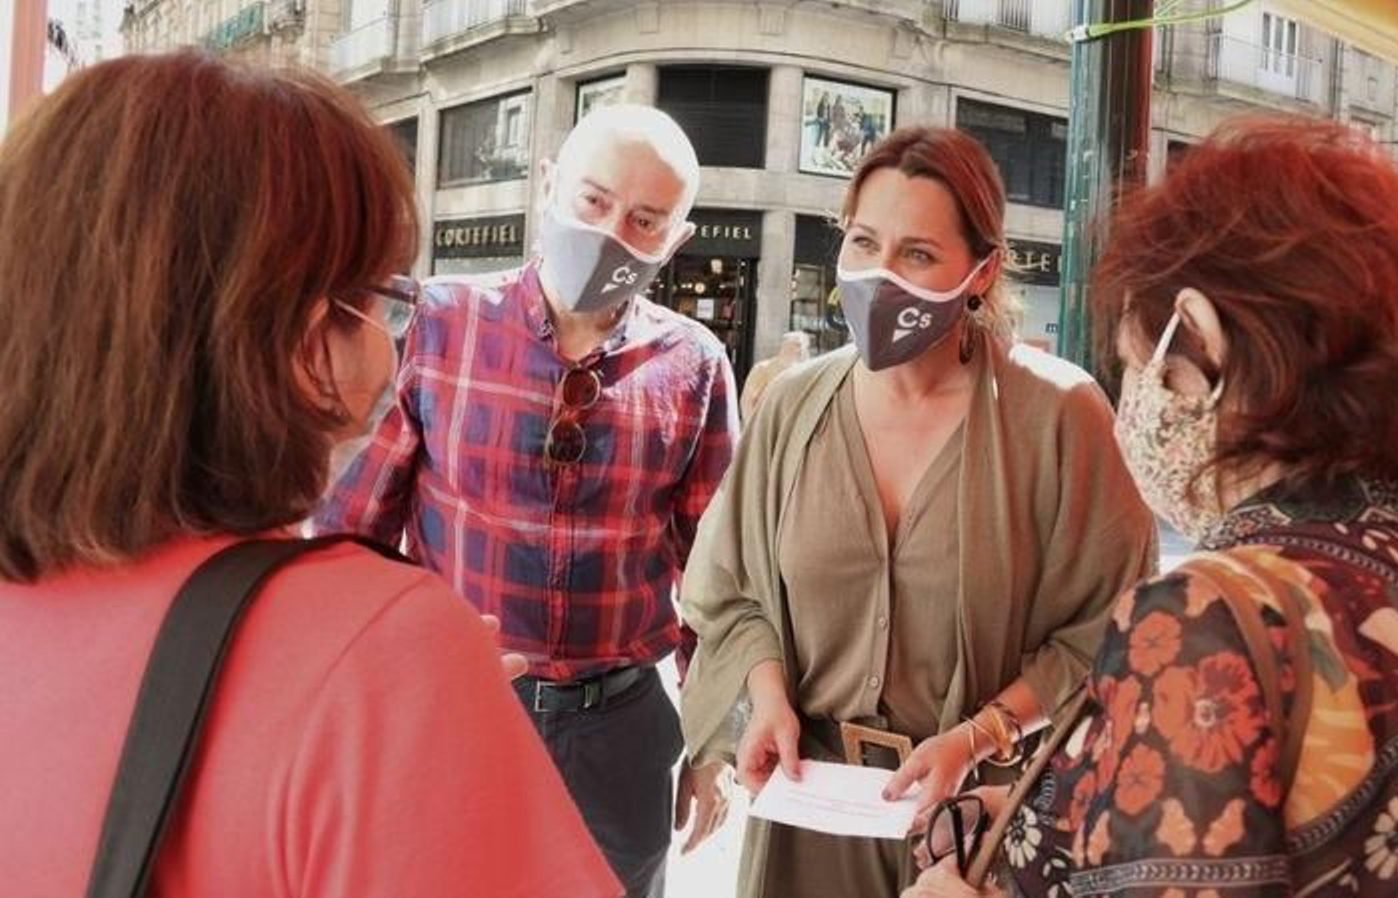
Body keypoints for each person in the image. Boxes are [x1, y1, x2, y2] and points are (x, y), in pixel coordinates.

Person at [0, 52, 616, 897]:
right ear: (293, 332)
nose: (389, 350)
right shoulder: (384, 663)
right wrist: (397, 678)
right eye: (376, 298)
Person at [904, 118, 1398, 897]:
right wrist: (1053, 816)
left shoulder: (1211, 616)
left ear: (1198, 336)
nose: (1134, 401)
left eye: (1136, 364)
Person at [679, 126, 1158, 898]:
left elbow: (1110, 630)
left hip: (974, 828)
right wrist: (764, 694)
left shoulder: (1059, 416)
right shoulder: (793, 407)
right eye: (864, 242)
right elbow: (730, 592)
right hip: (809, 815)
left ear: (982, 271)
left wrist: (981, 735)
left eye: (918, 254)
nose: (880, 276)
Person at [313, 103, 737, 898]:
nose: (612, 232)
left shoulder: (695, 364)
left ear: (675, 240)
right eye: (594, 200)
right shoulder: (438, 324)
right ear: (549, 184)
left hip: (620, 733)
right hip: (458, 710)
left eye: (645, 221)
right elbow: (351, 536)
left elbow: (719, 578)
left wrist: (717, 739)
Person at [740, 330, 813, 420]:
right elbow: (747, 402)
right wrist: (752, 425)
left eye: (803, 346)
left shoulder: (801, 371)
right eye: (797, 345)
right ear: (784, 345)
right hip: (765, 422)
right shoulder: (763, 368)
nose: (800, 350)